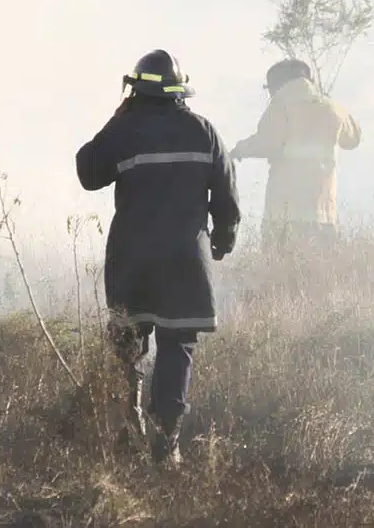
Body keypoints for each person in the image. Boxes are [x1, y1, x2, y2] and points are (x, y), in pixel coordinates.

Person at [75, 49, 240, 466]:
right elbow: (226, 197)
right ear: (179, 91)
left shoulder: (125, 129)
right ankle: (166, 445)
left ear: (136, 90)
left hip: (132, 260)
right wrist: (222, 239)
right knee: (176, 344)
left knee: (128, 342)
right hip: (185, 261)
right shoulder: (204, 132)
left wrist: (117, 117)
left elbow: (88, 173)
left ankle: (129, 432)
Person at [230, 58, 361, 254]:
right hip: (323, 215)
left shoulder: (281, 105)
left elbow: (266, 143)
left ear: (277, 84)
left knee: (279, 276)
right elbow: (353, 139)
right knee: (319, 277)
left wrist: (239, 150)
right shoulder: (332, 108)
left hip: (284, 215)